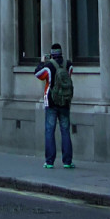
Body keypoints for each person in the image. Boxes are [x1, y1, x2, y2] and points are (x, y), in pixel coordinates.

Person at [33, 42, 74, 170]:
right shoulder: (69, 65)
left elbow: (38, 74)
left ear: (51, 54)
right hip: (65, 102)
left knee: (50, 131)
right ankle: (67, 161)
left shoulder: (49, 66)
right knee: (65, 131)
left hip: (51, 102)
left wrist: (42, 63)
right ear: (61, 53)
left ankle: (49, 161)